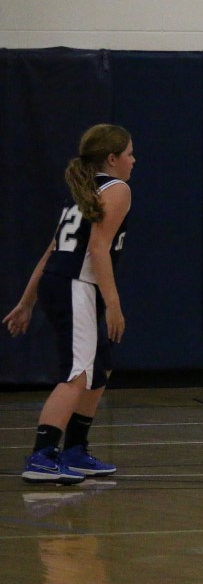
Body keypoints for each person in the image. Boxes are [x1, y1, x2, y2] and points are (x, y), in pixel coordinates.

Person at [5, 124, 135, 484]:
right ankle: (42, 456)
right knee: (77, 374)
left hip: (61, 282)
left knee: (100, 367)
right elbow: (98, 248)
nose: (133, 160)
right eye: (129, 154)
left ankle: (76, 449)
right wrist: (113, 303)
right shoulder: (117, 189)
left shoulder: (82, 191)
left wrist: (27, 301)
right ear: (112, 158)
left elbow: (51, 251)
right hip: (76, 285)